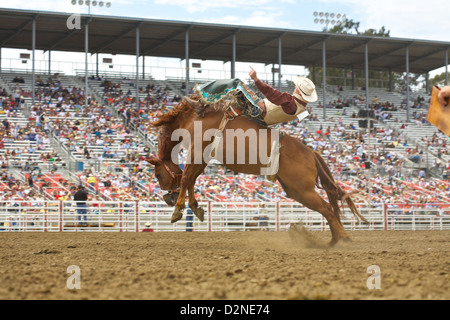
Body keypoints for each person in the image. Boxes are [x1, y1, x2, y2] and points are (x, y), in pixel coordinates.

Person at [184, 67, 318, 126]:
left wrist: (256, 80)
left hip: (258, 111)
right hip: (266, 119)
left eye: (297, 87)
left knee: (236, 83)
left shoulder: (290, 101)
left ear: (299, 91)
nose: (295, 87)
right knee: (240, 95)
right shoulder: (303, 110)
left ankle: (201, 100)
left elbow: (272, 94)